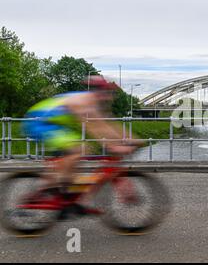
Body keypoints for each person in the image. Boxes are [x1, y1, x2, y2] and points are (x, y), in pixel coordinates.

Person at [23, 75, 138, 207]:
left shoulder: (91, 103)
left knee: (80, 150)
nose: (109, 97)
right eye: (107, 93)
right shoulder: (82, 101)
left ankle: (63, 189)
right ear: (98, 92)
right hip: (40, 122)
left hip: (52, 124)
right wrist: (113, 146)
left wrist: (131, 139)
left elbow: (106, 125)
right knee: (77, 150)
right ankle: (64, 192)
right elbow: (94, 128)